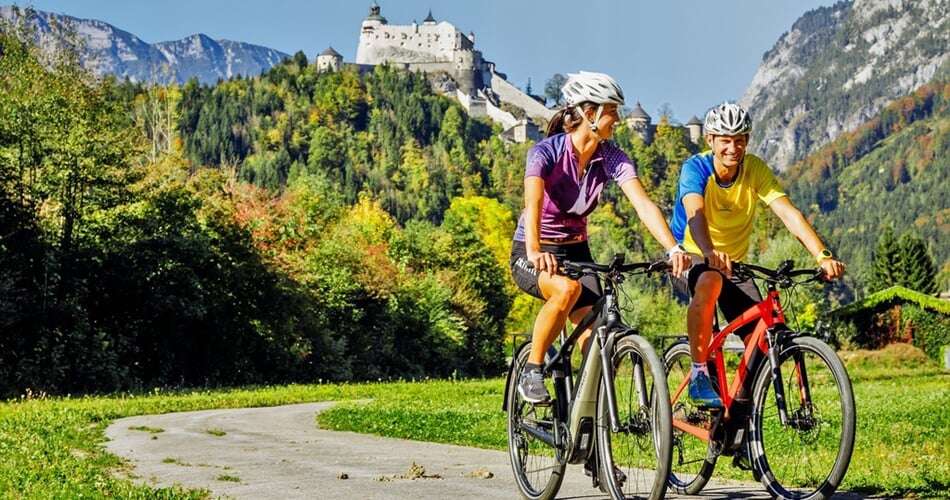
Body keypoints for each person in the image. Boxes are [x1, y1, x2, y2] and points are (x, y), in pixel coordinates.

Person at [510, 71, 690, 404]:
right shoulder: (545, 153)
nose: (618, 119)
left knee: (595, 338)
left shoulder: (610, 157)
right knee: (565, 290)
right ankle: (532, 369)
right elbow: (532, 204)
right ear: (589, 114)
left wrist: (673, 247)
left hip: (577, 251)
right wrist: (535, 251)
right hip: (534, 249)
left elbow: (643, 205)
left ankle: (589, 425)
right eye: (612, 110)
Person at [669, 102, 846, 407]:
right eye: (725, 140)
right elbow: (695, 213)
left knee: (762, 341)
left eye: (739, 139)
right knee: (710, 280)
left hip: (733, 266)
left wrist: (822, 255)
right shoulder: (695, 168)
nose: (732, 147)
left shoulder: (754, 170)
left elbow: (788, 214)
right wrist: (709, 252)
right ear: (710, 140)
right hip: (691, 256)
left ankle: (741, 422)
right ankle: (699, 374)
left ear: (748, 140)